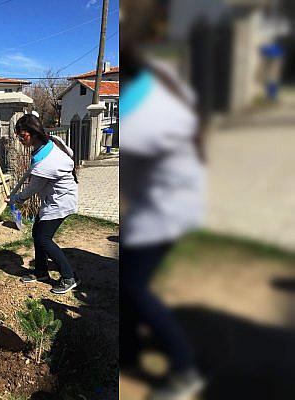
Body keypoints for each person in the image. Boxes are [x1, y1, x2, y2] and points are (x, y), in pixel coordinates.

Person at [119, 35, 207, 399]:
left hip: (165, 210)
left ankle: (186, 369)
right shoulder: (160, 89)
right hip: (167, 203)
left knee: (135, 287)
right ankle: (130, 351)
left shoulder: (141, 111)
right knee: (129, 283)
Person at [7, 114, 80, 295]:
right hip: (52, 197)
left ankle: (69, 277)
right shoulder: (52, 141)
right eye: (19, 137)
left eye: (22, 136)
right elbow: (69, 154)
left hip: (60, 200)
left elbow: (32, 189)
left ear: (33, 133)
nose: (21, 140)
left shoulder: (44, 163)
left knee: (43, 238)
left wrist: (15, 199)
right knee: (37, 233)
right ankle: (41, 272)